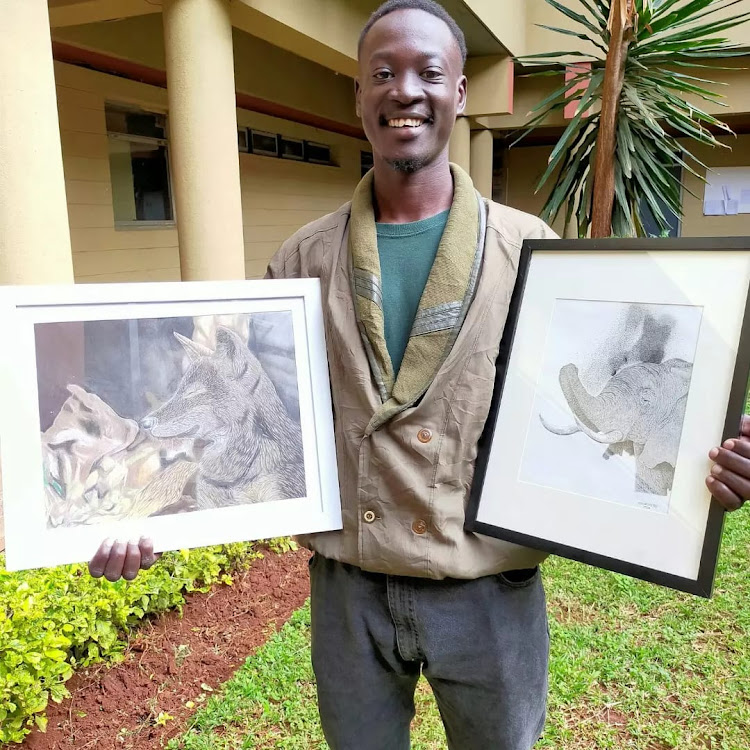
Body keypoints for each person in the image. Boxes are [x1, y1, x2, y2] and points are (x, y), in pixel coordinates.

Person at [89, 1, 749, 747]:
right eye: (383, 73)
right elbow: (259, 425)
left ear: (459, 94)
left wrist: (699, 456)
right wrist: (153, 516)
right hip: (349, 598)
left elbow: (586, 416)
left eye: (429, 72)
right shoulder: (302, 261)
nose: (406, 89)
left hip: (489, 596)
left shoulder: (531, 250)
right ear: (361, 98)